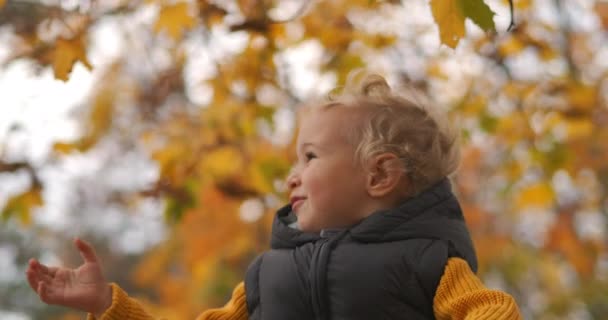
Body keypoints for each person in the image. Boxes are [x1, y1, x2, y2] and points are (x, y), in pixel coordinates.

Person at [26, 72, 522, 319]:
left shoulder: (429, 264)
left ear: (379, 176)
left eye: (310, 158)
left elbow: (490, 310)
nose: (291, 176)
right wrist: (110, 305)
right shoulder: (265, 278)